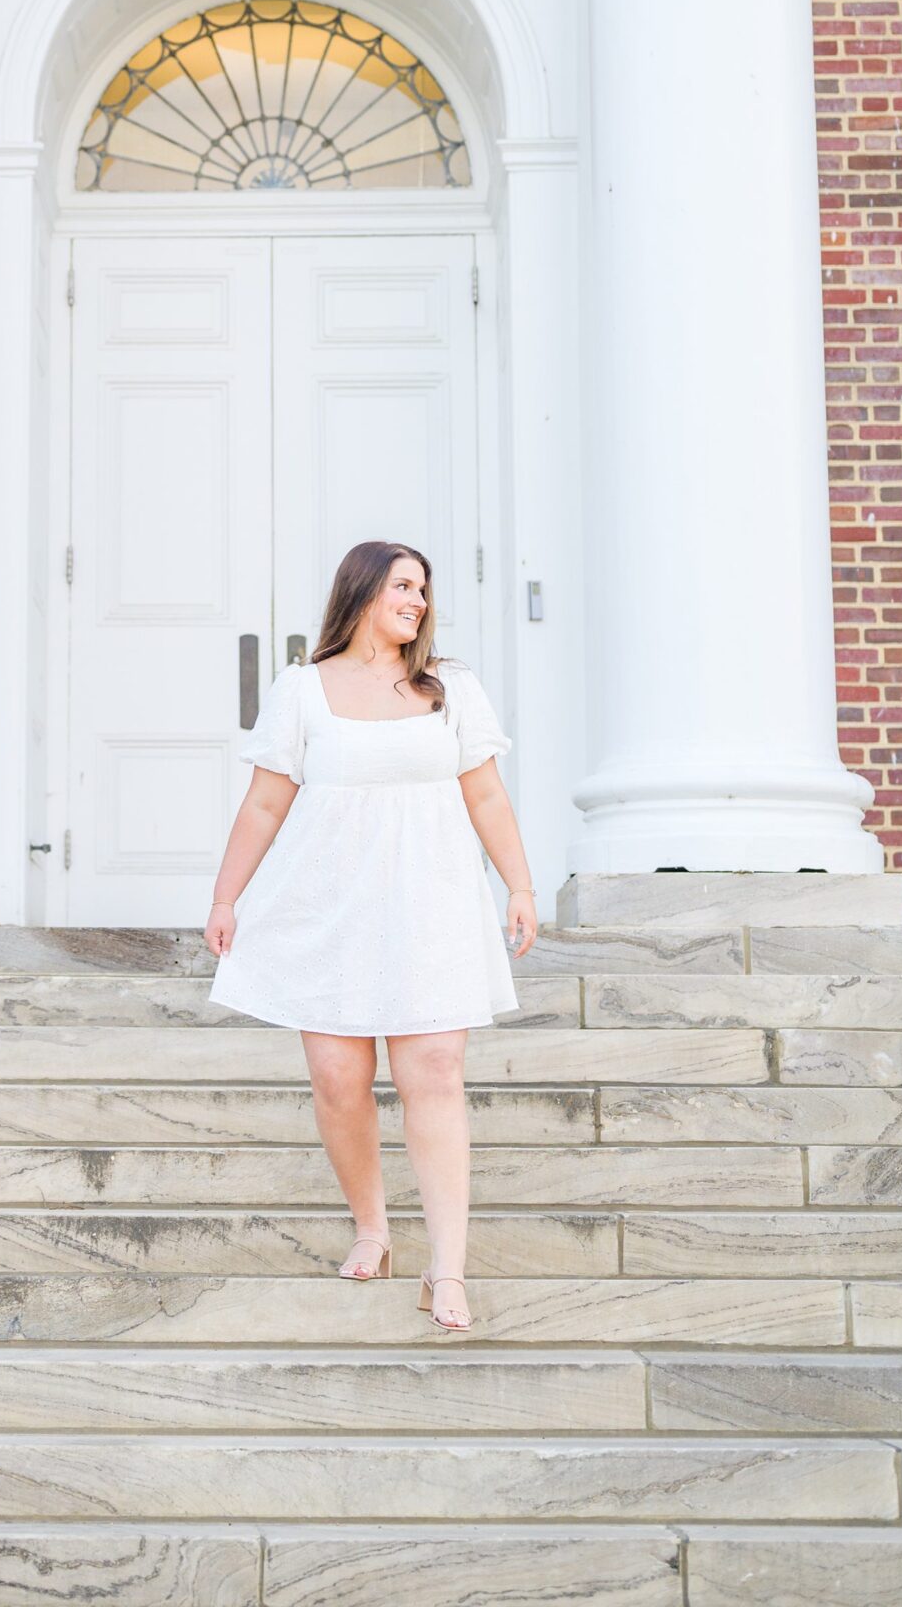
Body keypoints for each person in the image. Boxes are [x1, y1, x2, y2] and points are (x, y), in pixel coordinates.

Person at [205, 538, 538, 1331]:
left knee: (433, 1070)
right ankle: (372, 1229)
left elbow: (486, 797)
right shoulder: (301, 690)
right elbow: (262, 805)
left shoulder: (450, 688)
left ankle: (447, 1269)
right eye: (402, 586)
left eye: (422, 589)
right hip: (330, 904)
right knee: (336, 1076)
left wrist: (519, 885)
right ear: (358, 592)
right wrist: (225, 899)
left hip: (433, 902)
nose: (417, 601)